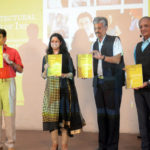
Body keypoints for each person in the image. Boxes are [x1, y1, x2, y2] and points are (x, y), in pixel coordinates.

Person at [41, 33, 85, 150]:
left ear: (60, 42)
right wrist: (45, 70)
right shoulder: (46, 58)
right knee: (53, 121)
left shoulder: (66, 56)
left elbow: (72, 73)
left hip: (65, 91)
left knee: (64, 121)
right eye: (52, 41)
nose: (54, 43)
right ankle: (54, 144)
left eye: (56, 41)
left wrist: (63, 75)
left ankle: (64, 145)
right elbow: (43, 76)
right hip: (51, 92)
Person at [91, 17, 125, 150]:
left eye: (99, 28)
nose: (96, 31)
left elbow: (117, 59)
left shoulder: (115, 40)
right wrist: (85, 72)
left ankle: (112, 147)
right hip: (98, 83)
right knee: (101, 115)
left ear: (105, 28)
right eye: (95, 28)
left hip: (112, 83)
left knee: (113, 116)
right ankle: (102, 145)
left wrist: (103, 57)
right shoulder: (93, 44)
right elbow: (92, 64)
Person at [0, 29, 23, 150]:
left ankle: (10, 143)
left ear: (5, 38)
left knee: (9, 115)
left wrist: (10, 62)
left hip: (8, 83)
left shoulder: (12, 51)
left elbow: (20, 69)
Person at [133, 16, 150, 150]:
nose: (143, 28)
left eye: (146, 25)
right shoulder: (137, 46)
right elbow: (136, 67)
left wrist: (147, 82)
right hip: (139, 89)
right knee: (142, 121)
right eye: (141, 26)